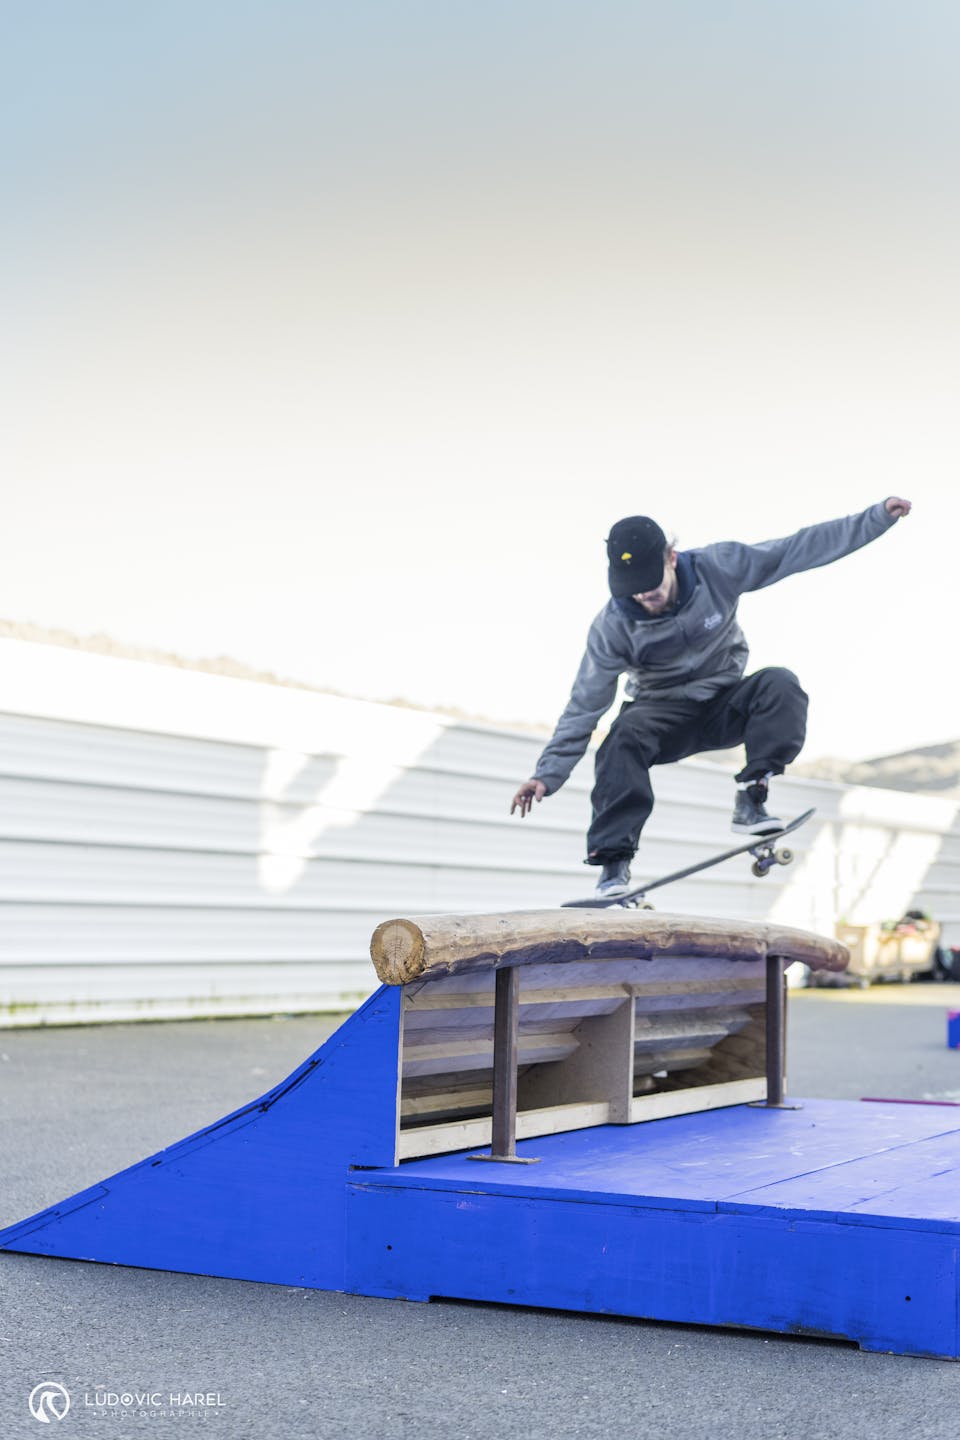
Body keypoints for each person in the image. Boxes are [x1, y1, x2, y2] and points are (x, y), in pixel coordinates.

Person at [510, 497, 912, 897]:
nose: (645, 598)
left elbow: (794, 550)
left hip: (724, 703)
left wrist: (874, 519)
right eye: (634, 592)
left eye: (651, 587)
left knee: (780, 684)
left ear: (671, 556)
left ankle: (752, 797)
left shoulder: (717, 568)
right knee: (620, 739)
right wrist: (548, 773)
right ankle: (613, 865)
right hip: (660, 714)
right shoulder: (612, 627)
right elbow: (585, 704)